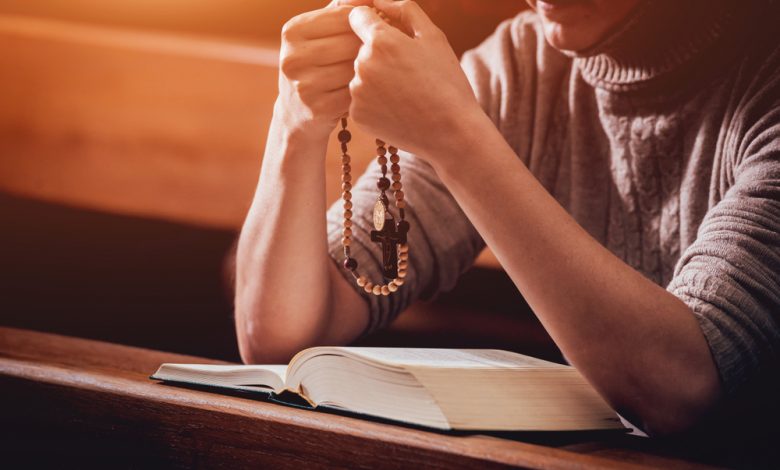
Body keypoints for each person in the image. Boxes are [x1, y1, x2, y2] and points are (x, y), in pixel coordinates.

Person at [235, 0, 780, 436]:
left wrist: (457, 140)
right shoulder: (516, 66)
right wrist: (294, 124)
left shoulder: (763, 84)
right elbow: (281, 336)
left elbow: (678, 389)